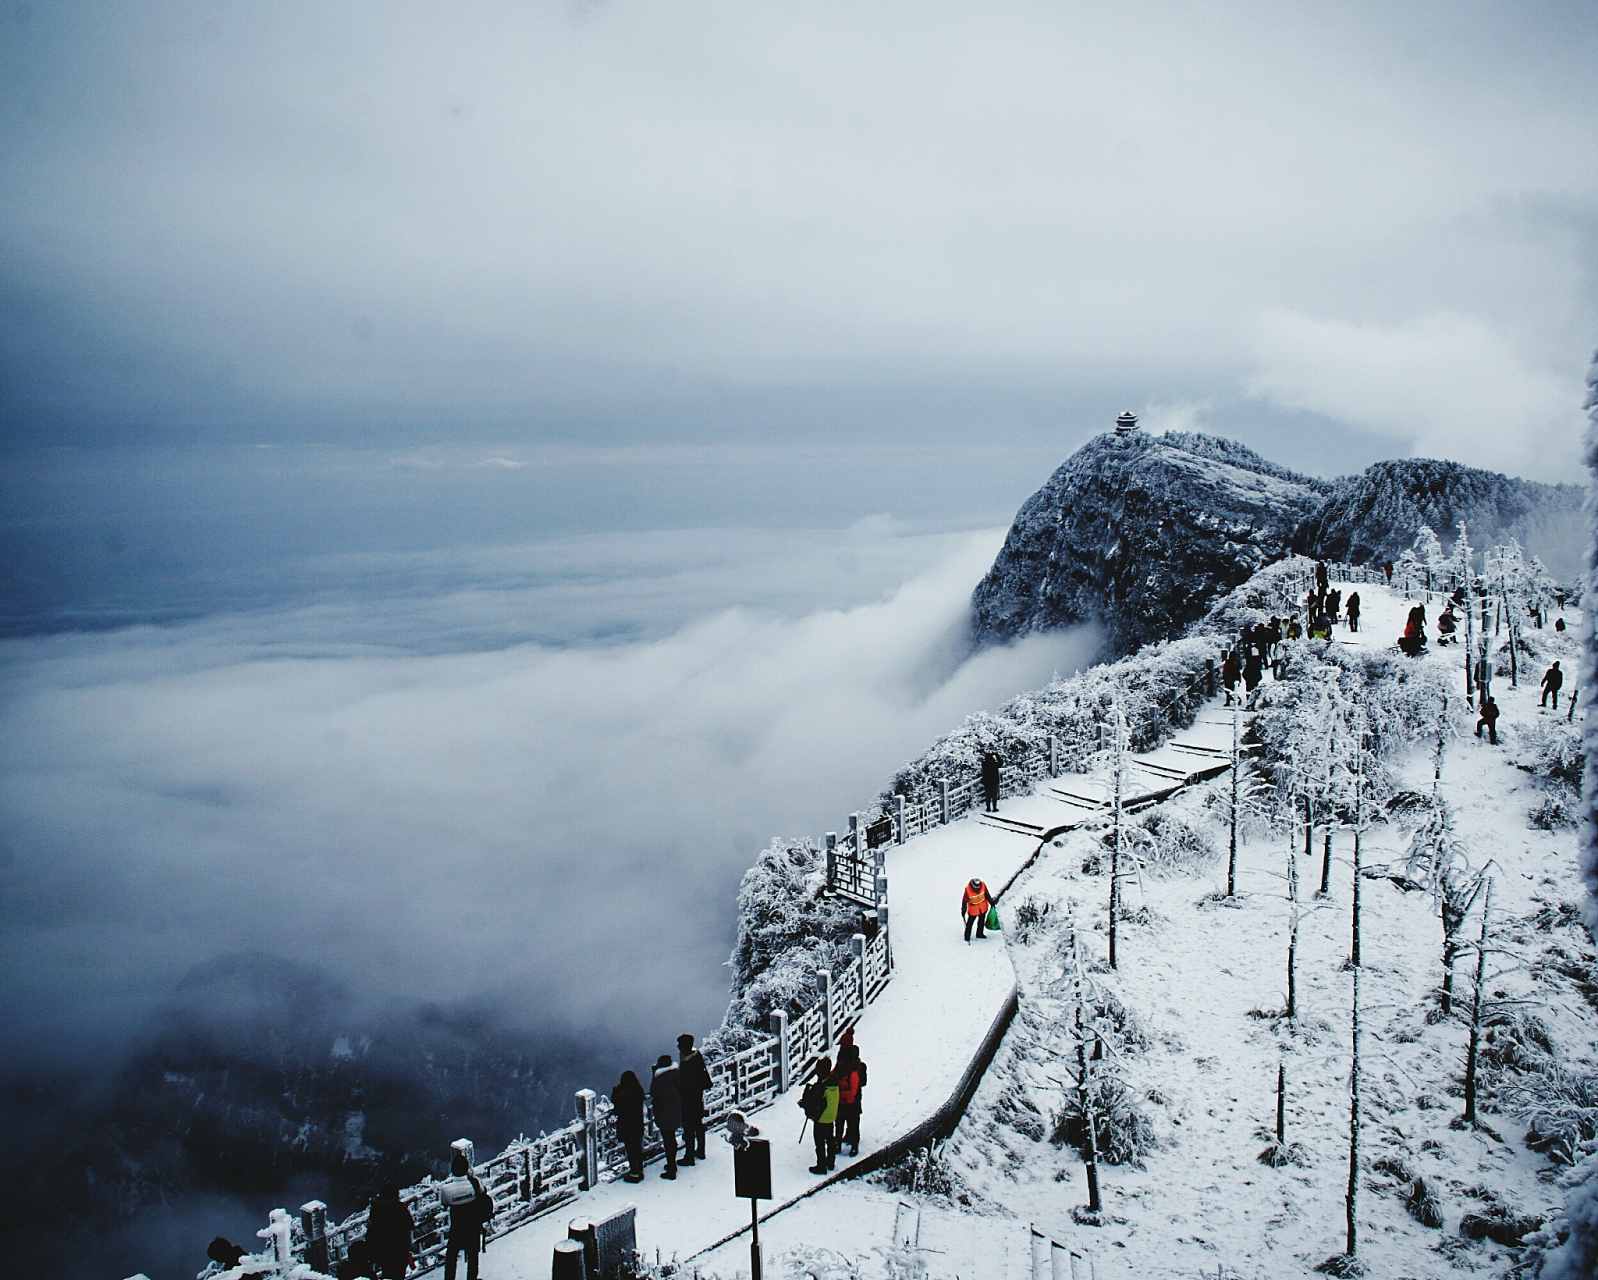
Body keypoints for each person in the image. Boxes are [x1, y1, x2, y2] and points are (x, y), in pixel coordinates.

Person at [439, 1151, 493, 1280]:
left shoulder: (446, 1189)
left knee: (451, 1256)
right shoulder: (474, 1183)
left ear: (452, 1170)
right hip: (473, 1225)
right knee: (473, 1256)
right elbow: (483, 1192)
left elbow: (444, 1204)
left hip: (456, 1227)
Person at [677, 1033, 713, 1165]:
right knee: (698, 1125)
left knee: (689, 1128)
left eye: (680, 1045)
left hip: (688, 1101)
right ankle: (701, 1151)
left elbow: (684, 1084)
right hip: (698, 1099)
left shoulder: (688, 1064)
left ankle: (689, 1157)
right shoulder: (698, 1057)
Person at [365, 1185, 413, 1280]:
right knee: (398, 1274)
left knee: (387, 1272)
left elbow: (372, 1223)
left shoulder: (376, 1207)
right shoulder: (399, 1208)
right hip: (399, 1246)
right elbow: (409, 1225)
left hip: (381, 1246)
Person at [803, 1057, 841, 1174]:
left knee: (819, 1143)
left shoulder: (820, 1087)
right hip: (831, 1116)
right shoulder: (834, 1082)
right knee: (830, 1140)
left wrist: (806, 1105)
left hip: (821, 1118)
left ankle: (821, 1165)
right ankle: (830, 1162)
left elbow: (815, 1103)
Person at [650, 1054, 683, 1179]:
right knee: (671, 1139)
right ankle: (672, 1165)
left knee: (668, 1140)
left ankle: (671, 1170)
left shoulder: (661, 1079)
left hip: (665, 1112)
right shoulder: (675, 1075)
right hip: (675, 1110)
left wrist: (654, 1075)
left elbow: (653, 1091)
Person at [611, 1069, 647, 1182]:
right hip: (637, 1125)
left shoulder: (625, 1096)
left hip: (628, 1127)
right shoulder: (638, 1091)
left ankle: (634, 1174)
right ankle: (639, 1170)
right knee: (637, 1149)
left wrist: (616, 1093)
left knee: (631, 1150)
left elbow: (618, 1108)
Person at [835, 1039, 866, 1157]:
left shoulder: (853, 1073)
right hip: (843, 1103)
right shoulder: (839, 1071)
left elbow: (854, 1090)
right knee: (839, 1124)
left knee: (852, 1124)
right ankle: (838, 1143)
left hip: (851, 1103)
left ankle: (854, 1144)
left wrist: (840, 1094)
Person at [962, 877, 990, 941]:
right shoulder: (968, 890)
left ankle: (980, 933)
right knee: (970, 923)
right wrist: (964, 908)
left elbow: (986, 893)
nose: (977, 889)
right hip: (973, 909)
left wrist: (990, 900)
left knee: (981, 922)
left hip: (983, 907)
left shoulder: (983, 885)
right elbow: (964, 900)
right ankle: (967, 936)